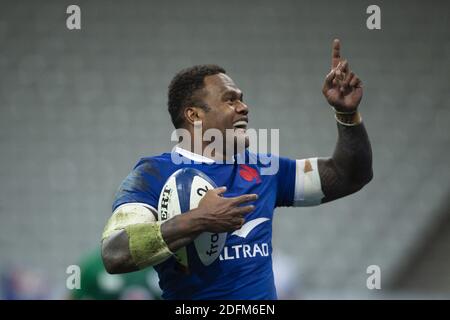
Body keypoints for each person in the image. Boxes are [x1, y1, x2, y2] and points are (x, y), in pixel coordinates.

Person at [101, 39, 373, 299]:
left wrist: (347, 114)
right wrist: (198, 220)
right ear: (194, 115)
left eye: (241, 99)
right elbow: (115, 254)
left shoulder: (265, 169)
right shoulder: (152, 174)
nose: (244, 108)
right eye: (230, 100)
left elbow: (349, 176)